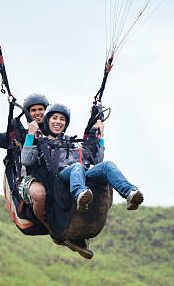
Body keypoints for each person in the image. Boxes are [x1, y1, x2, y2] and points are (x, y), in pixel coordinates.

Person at [21, 103, 144, 257]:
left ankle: (130, 193)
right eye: (54, 118)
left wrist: (101, 135)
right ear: (48, 121)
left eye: (62, 119)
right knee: (77, 167)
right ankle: (81, 194)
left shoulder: (74, 143)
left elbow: (97, 158)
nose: (58, 122)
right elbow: (26, 160)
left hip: (83, 173)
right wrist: (30, 135)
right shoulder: (42, 142)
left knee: (107, 166)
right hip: (61, 177)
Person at [0, 90, 50, 230]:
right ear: (28, 114)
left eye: (40, 109)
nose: (37, 113)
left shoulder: (53, 135)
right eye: (33, 110)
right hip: (28, 186)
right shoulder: (18, 137)